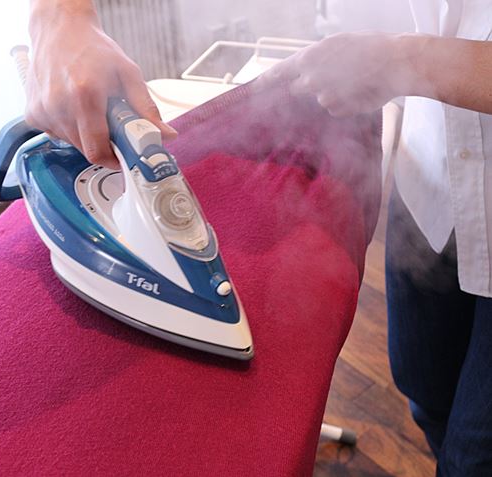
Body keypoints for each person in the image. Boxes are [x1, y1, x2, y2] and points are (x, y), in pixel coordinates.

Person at [26, 0, 492, 474]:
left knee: (473, 457)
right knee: (424, 386)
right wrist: (61, 17)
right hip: (434, 192)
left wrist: (403, 61)